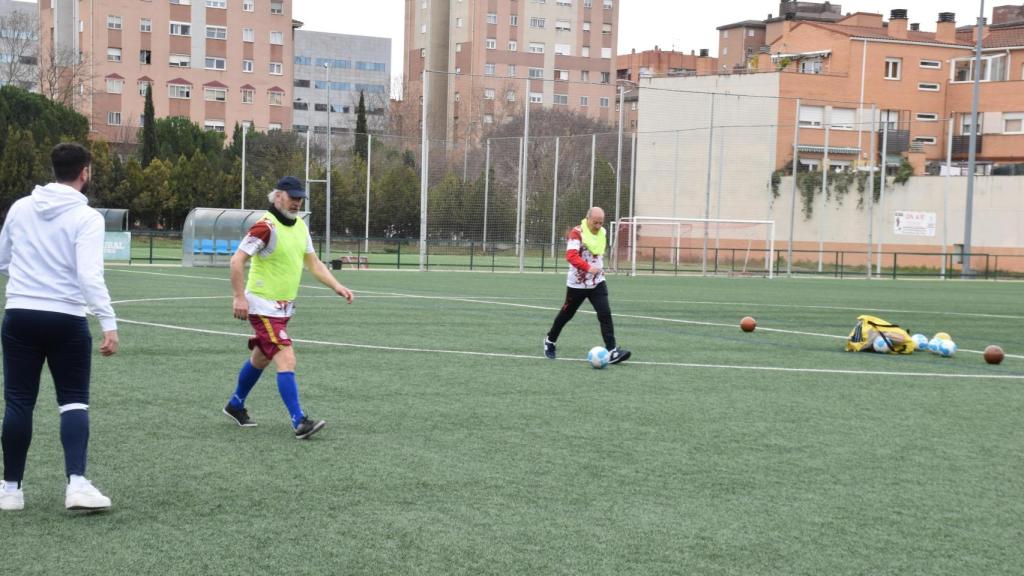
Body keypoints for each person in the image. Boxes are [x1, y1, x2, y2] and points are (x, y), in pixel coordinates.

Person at [0, 143, 119, 512]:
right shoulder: (88, 218)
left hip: (19, 314)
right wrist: (108, 321)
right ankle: (77, 485)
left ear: (54, 169)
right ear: (85, 171)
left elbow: (3, 259)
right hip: (66, 318)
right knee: (73, 401)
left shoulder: (21, 207)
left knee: (18, 402)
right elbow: (88, 274)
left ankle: (10, 490)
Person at [223, 176, 353, 439]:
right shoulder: (264, 227)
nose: (297, 202)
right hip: (262, 306)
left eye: (300, 198)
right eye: (292, 197)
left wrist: (336, 286)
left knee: (262, 356)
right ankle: (299, 421)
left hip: (283, 309)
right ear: (277, 196)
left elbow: (313, 263)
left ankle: (235, 404)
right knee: (286, 357)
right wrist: (239, 297)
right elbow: (236, 261)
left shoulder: (300, 227)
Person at [543, 207, 631, 364]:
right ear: (588, 219)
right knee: (567, 314)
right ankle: (550, 341)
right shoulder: (576, 233)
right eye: (595, 222)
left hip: (597, 282)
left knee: (605, 313)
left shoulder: (603, 232)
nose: (598, 225)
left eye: (601, 222)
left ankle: (612, 351)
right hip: (577, 284)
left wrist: (596, 269)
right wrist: (588, 267)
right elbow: (571, 256)